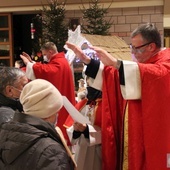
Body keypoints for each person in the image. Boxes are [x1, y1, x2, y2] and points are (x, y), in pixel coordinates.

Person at [65, 23, 170, 170]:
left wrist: (116, 63)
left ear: (151, 47)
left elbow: (157, 75)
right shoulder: (143, 64)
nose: (133, 52)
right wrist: (88, 61)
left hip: (154, 134)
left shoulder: (165, 62)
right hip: (134, 131)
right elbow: (116, 76)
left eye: (136, 48)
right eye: (131, 47)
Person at [0, 79, 76, 170]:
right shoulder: (51, 151)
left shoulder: (5, 131)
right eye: (56, 112)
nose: (57, 115)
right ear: (48, 113)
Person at [20, 42, 75, 144]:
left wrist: (29, 64)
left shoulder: (59, 62)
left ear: (50, 51)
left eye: (44, 54)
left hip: (61, 100)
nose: (44, 57)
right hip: (63, 96)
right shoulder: (60, 60)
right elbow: (46, 68)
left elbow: (49, 72)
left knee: (61, 126)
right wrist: (32, 63)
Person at [65, 76, 102, 170]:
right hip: (81, 148)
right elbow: (71, 127)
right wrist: (76, 130)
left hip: (98, 151)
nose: (89, 88)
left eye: (92, 84)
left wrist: (87, 130)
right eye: (88, 84)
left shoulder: (106, 105)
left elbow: (110, 132)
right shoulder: (84, 103)